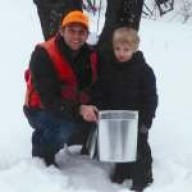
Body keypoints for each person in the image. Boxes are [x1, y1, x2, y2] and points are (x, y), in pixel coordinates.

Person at [82, 26, 158, 192]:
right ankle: (122, 172)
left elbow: (150, 97)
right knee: (121, 146)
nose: (121, 53)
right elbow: (100, 90)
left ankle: (142, 178)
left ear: (134, 49)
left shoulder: (144, 71)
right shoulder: (109, 68)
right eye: (117, 49)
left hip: (137, 119)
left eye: (126, 49)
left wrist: (146, 119)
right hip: (115, 118)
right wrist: (101, 108)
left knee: (139, 148)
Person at [23, 10, 98, 166]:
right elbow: (49, 100)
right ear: (62, 31)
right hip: (39, 109)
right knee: (65, 127)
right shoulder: (43, 54)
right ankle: (42, 155)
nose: (76, 37)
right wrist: (80, 110)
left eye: (81, 32)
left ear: (87, 35)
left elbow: (93, 87)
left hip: (69, 106)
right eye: (71, 31)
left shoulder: (89, 54)